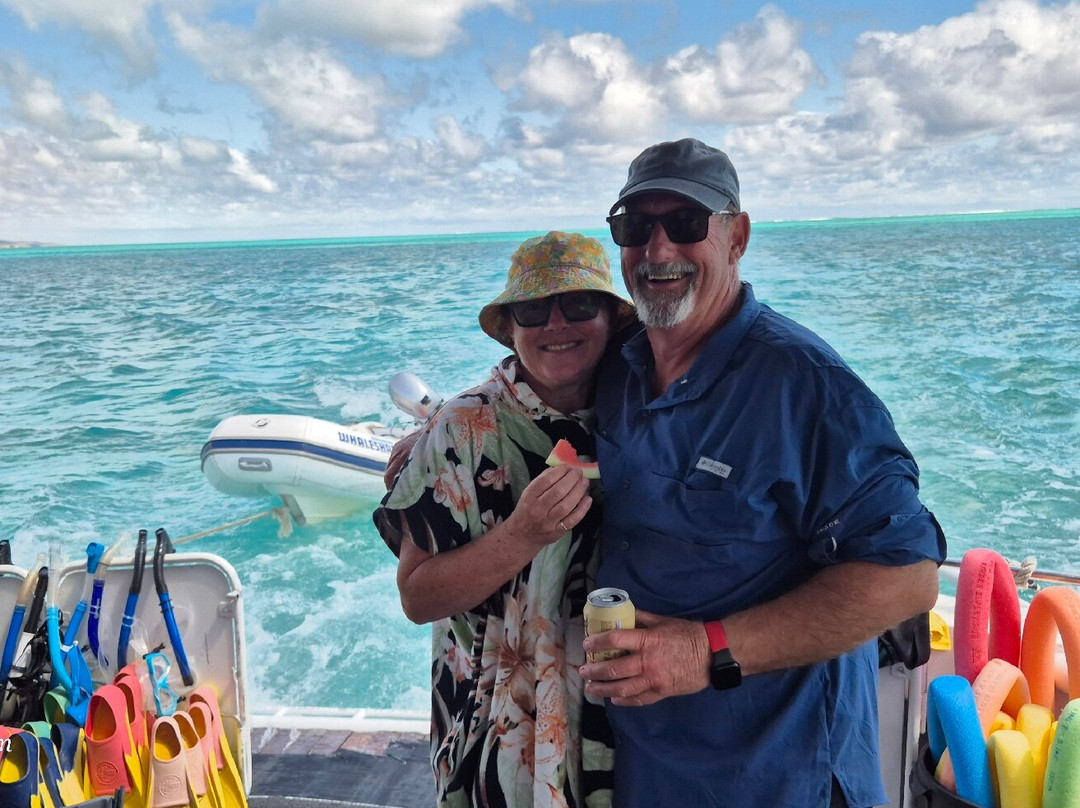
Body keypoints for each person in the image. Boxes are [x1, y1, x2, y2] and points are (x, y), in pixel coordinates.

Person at [577, 138, 947, 808]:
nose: (658, 250)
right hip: (651, 766)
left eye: (686, 223)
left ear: (736, 235)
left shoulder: (808, 388)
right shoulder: (620, 367)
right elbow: (535, 376)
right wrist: (442, 429)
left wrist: (704, 649)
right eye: (636, 227)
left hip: (780, 777)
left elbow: (909, 578)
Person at [374, 231, 636, 808]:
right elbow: (418, 598)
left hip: (616, 714)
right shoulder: (463, 427)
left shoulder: (641, 407)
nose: (555, 324)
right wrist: (523, 534)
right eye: (533, 309)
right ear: (511, 328)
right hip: (497, 719)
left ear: (612, 321)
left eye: (579, 305)